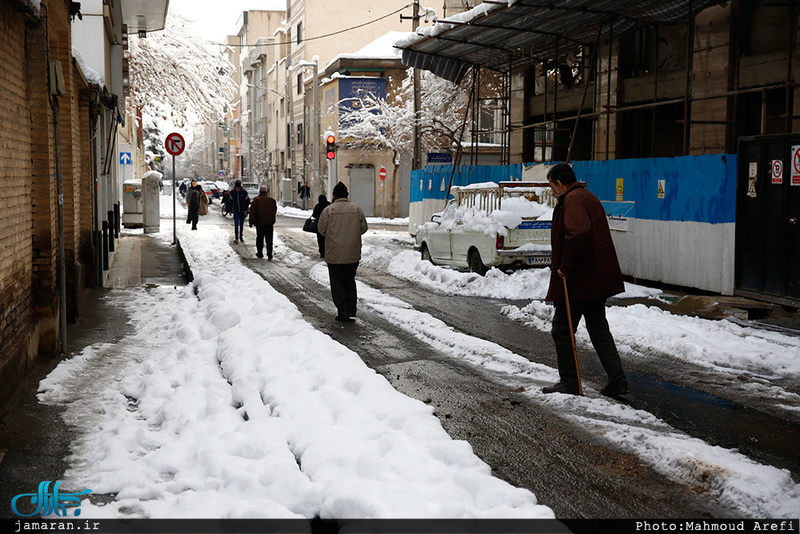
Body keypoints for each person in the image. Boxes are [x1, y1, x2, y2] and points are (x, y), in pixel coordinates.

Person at [542, 162, 628, 398]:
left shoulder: (572, 200)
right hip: (595, 280)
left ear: (559, 183)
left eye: (551, 186)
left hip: (578, 282)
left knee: (562, 329)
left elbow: (578, 234)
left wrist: (566, 268)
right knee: (598, 329)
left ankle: (570, 382)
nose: (552, 191)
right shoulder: (588, 196)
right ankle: (617, 381)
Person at [317, 182, 368, 323]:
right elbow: (364, 228)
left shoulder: (328, 210)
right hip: (352, 253)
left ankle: (343, 311)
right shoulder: (356, 209)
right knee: (350, 281)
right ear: (347, 195)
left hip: (334, 254)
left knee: (338, 283)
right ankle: (351, 310)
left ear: (333, 195)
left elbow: (321, 230)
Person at [248, 186, 277, 260]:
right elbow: (274, 210)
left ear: (259, 192)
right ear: (266, 192)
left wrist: (251, 221)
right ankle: (269, 253)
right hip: (269, 223)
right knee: (269, 239)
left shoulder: (256, 200)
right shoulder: (272, 200)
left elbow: (252, 212)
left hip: (259, 223)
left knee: (260, 238)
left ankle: (260, 253)